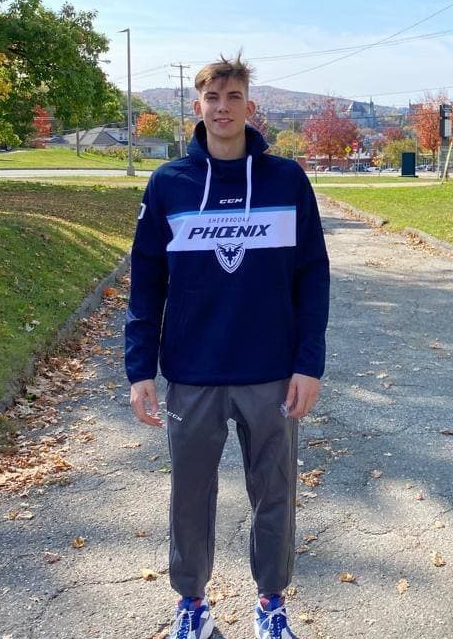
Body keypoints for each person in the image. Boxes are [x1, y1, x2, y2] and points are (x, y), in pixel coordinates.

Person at [125, 53, 330, 639]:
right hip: (193, 373)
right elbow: (146, 283)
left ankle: (271, 604)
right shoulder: (170, 184)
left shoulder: (286, 180)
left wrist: (308, 364)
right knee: (190, 497)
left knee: (275, 495)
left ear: (249, 106)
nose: (222, 108)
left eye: (233, 97)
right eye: (212, 98)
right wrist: (140, 370)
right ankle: (192, 605)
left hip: (271, 373)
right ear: (198, 107)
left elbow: (313, 275)